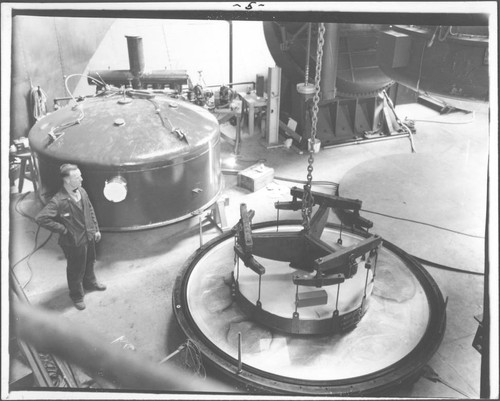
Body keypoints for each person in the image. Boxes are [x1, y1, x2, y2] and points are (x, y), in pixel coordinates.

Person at [36, 164, 106, 310]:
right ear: (67, 180)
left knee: (90, 261)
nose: (81, 178)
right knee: (76, 269)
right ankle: (76, 295)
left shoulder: (82, 191)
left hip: (89, 235)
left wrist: (96, 229)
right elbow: (41, 218)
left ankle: (90, 282)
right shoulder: (58, 200)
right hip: (73, 242)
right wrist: (62, 229)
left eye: (80, 175)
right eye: (77, 177)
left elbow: (90, 209)